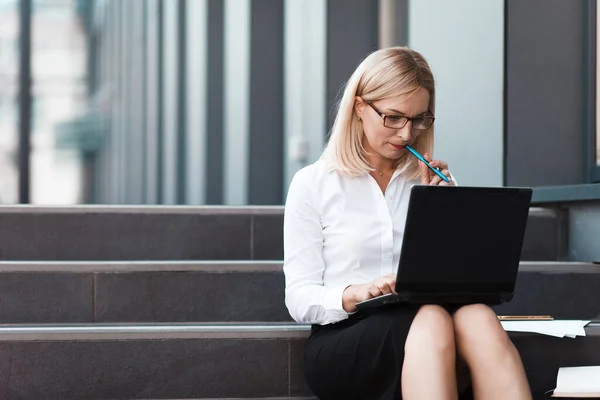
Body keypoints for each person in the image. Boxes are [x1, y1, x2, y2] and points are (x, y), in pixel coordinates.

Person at [283, 47, 532, 400]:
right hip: (348, 337)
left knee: (478, 316)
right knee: (430, 319)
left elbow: (460, 280)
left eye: (419, 120)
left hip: (433, 327)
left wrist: (450, 212)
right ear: (359, 107)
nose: (406, 134)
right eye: (393, 118)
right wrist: (352, 294)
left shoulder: (429, 181)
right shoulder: (314, 183)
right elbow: (298, 296)